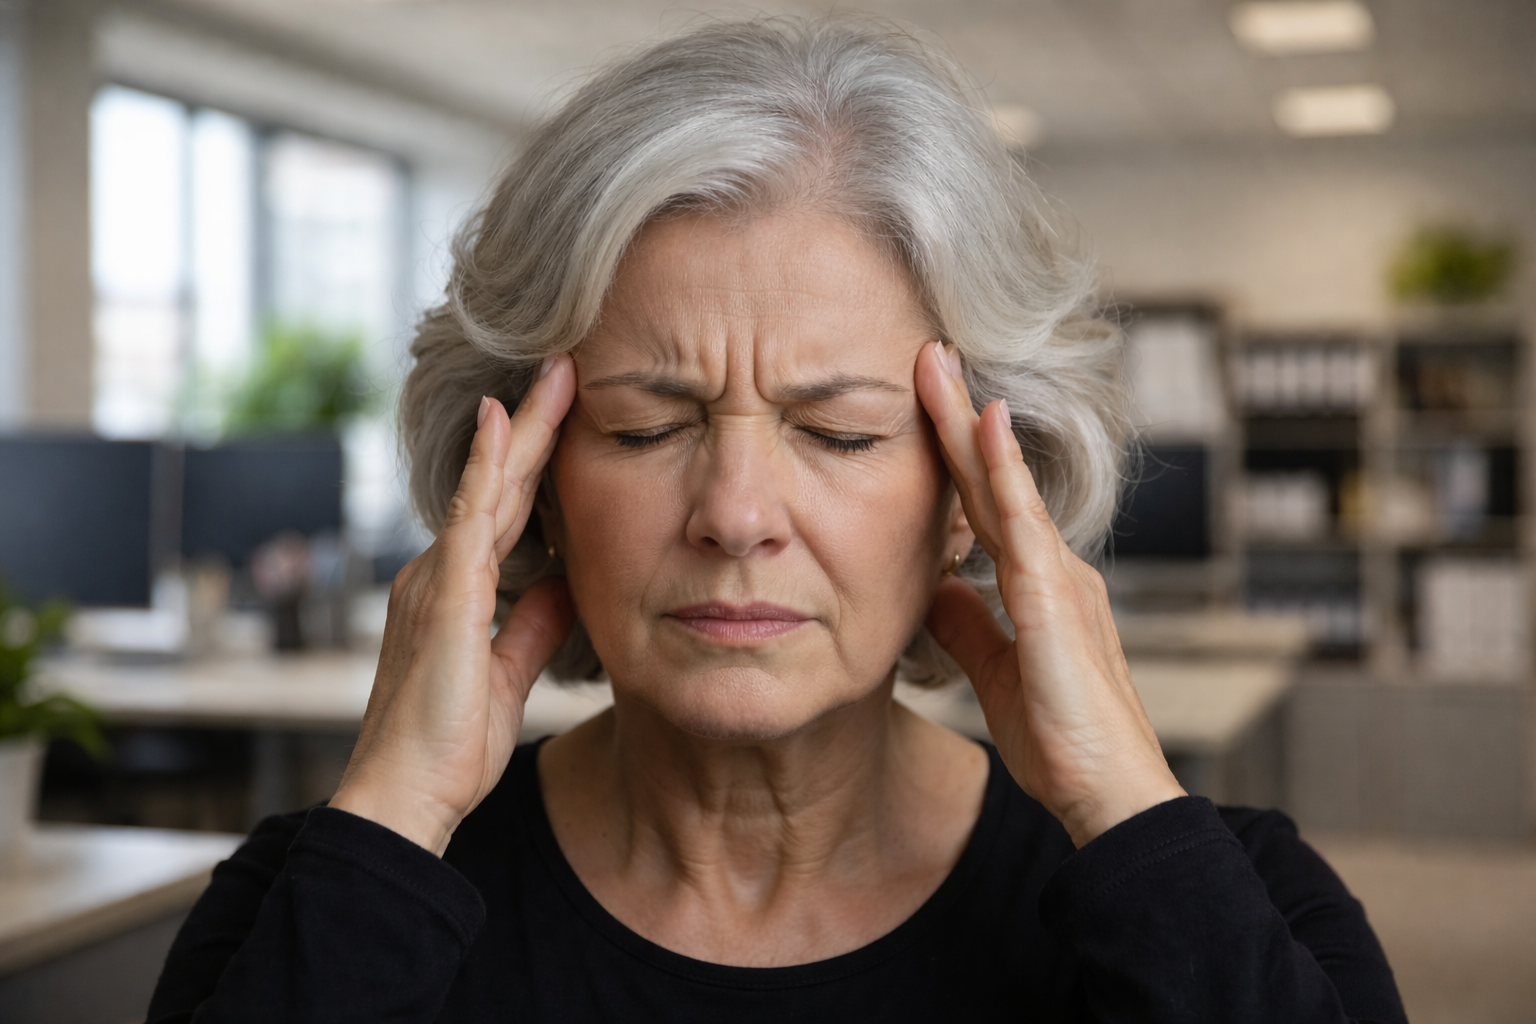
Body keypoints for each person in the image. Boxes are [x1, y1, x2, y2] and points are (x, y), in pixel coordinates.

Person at [148, 16, 1405, 1023]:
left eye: (842, 433)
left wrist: (1123, 805)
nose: (737, 514)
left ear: (978, 496)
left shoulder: (1249, 912)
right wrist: (399, 819)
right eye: (647, 426)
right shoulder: (307, 908)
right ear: (528, 485)